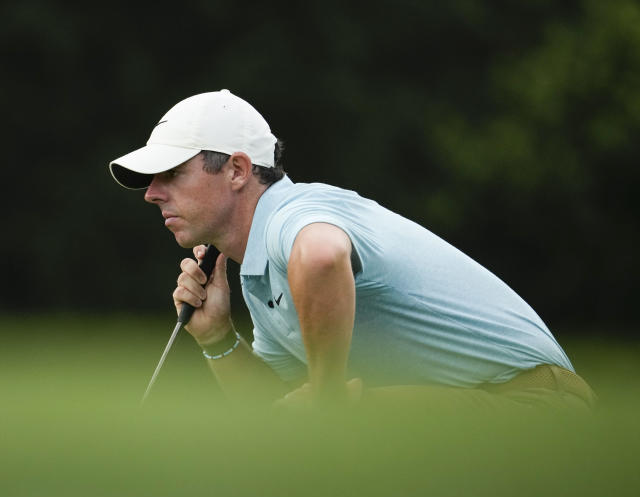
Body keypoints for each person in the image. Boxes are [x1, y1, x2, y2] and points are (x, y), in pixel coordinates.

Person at [109, 89, 596, 411]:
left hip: (539, 402)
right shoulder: (259, 268)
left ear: (237, 170)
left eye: (171, 174)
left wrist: (326, 402)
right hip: (497, 404)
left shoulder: (292, 215)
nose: (152, 193)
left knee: (345, 412)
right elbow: (273, 411)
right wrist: (217, 337)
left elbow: (322, 256)